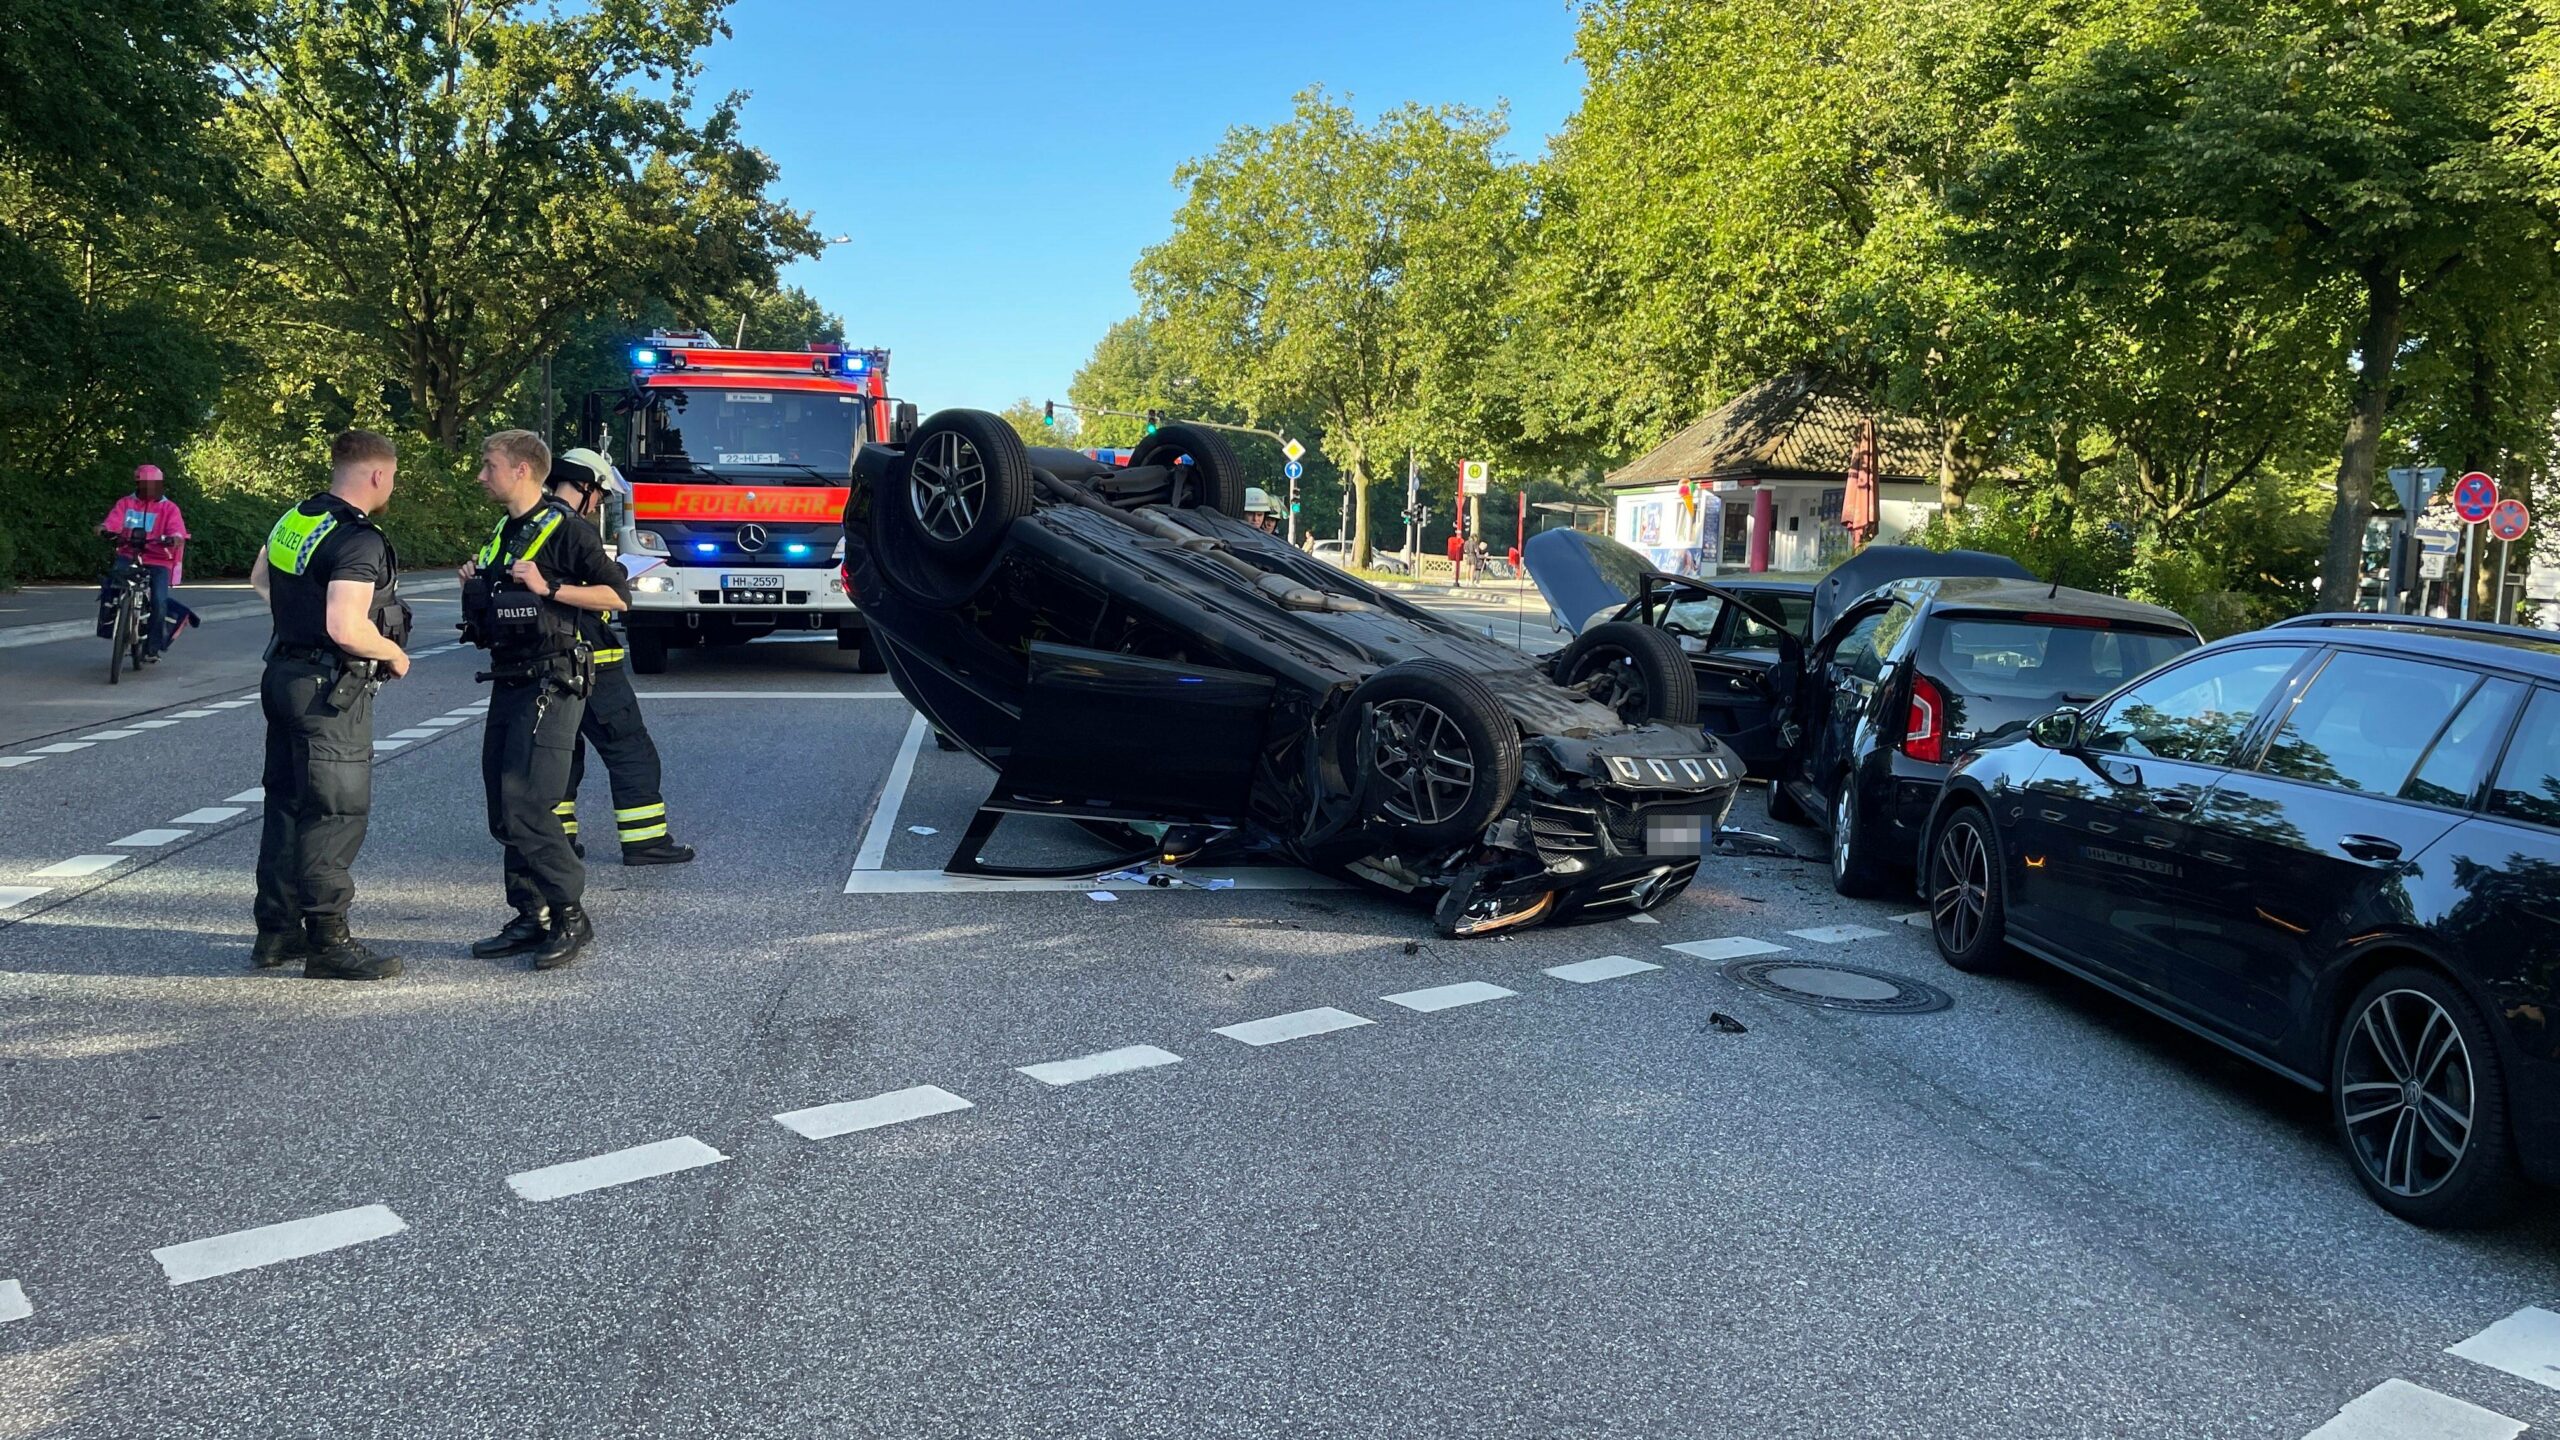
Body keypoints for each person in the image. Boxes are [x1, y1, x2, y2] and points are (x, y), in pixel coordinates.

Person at [460, 430, 630, 971]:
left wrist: (549, 589)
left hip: (552, 682)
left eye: (489, 466)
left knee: (530, 803)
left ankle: (569, 915)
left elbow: (616, 596)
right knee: (502, 807)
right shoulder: (506, 531)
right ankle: (527, 915)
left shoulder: (567, 529)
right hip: (509, 677)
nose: (481, 476)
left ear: (523, 470)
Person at [246, 431, 413, 980]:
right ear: (376, 476)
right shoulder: (359, 539)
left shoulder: (297, 518)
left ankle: (276, 934)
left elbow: (260, 580)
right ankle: (328, 943)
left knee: (288, 804)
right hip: (327, 691)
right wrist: (393, 653)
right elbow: (346, 626)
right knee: (335, 812)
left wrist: (299, 620)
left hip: (283, 675)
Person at [538, 447, 695, 870]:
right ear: (585, 485)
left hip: (542, 658)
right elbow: (614, 597)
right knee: (629, 748)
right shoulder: (573, 529)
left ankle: (559, 842)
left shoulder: (523, 525)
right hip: (591, 659)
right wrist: (619, 576)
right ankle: (645, 842)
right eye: (600, 496)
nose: (598, 505)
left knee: (560, 751)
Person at [99, 464, 200, 661]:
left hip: (158, 559)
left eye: (154, 485)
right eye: (145, 485)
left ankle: (152, 648)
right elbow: (114, 521)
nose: (150, 489)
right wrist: (105, 528)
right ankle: (112, 624)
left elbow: (176, 529)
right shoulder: (126, 504)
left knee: (159, 602)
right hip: (129, 554)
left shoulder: (169, 508)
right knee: (111, 587)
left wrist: (176, 537)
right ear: (138, 485)